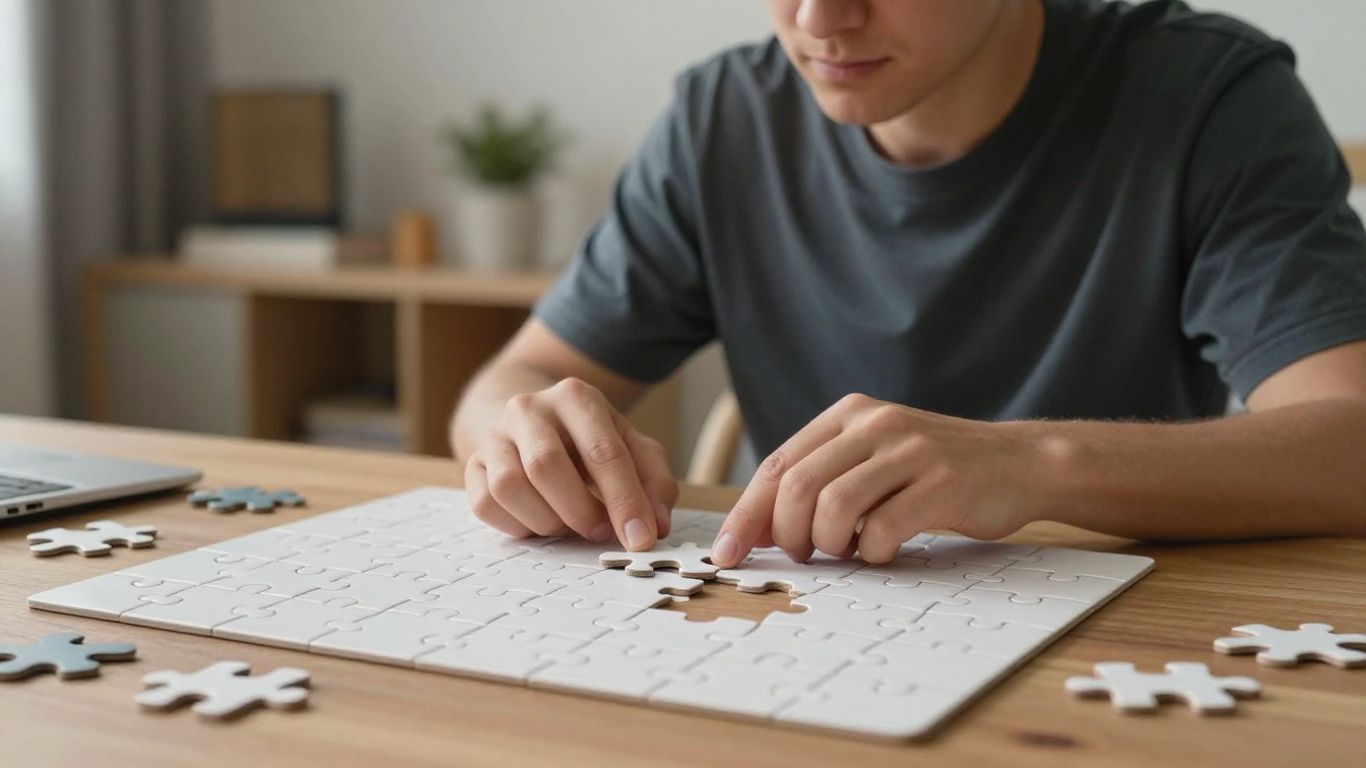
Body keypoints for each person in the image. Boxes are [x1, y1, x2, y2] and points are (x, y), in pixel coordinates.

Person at [450, 0, 1366, 570]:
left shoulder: (1207, 95)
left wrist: (1032, 465)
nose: (818, 17)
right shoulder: (719, 119)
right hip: (799, 631)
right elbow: (512, 379)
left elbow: (1352, 444)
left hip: (1113, 643)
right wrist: (517, 434)